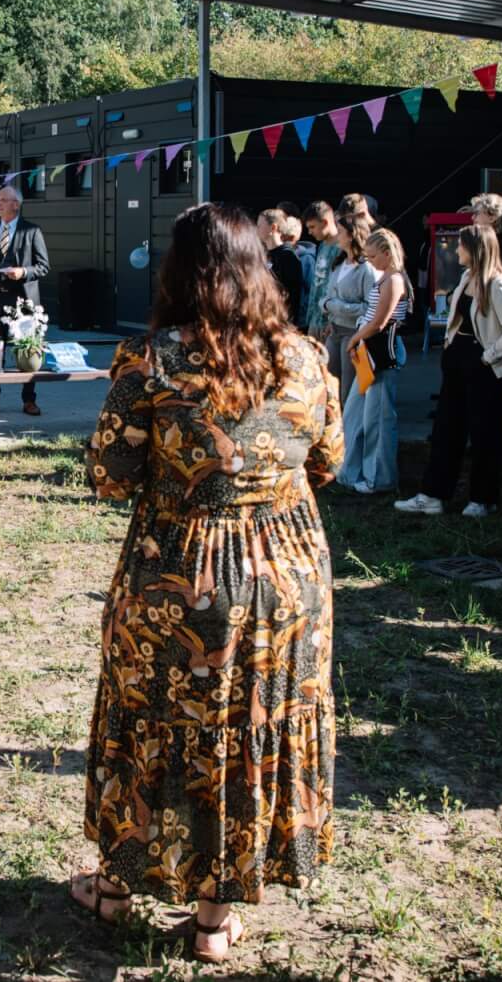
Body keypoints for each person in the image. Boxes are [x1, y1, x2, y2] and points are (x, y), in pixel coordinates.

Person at [76, 203, 342, 965]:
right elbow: (328, 461)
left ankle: (115, 887)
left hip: (180, 570)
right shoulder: (306, 357)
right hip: (287, 576)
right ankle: (214, 921)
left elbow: (109, 475)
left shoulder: (151, 360)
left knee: (153, 721)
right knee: (253, 732)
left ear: (179, 272)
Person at [395, 223, 502, 518]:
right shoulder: (467, 277)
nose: (456, 251)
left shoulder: (497, 284)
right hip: (457, 362)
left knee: (484, 433)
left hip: (483, 367)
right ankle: (433, 495)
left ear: (475, 249)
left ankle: (483, 498)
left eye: (461, 245)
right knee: (446, 430)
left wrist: (488, 356)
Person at [0, 184, 51, 417]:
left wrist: (23, 272)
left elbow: (43, 266)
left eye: (3, 200)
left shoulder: (32, 231)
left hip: (23, 302)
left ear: (15, 205)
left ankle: (29, 400)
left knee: (27, 353)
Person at [346, 228, 410, 495]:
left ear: (387, 253)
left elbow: (379, 323)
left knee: (378, 419)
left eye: (373, 256)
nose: (369, 261)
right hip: (368, 350)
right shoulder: (385, 277)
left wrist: (354, 339)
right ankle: (351, 471)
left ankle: (379, 478)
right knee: (355, 413)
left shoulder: (394, 280)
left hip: (381, 352)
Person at [321, 209, 377, 491]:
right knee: (329, 390)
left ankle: (347, 456)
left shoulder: (366, 269)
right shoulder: (338, 262)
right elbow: (327, 296)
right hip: (334, 330)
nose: (337, 236)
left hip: (354, 335)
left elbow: (369, 306)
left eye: (341, 232)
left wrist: (337, 307)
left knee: (347, 394)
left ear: (352, 235)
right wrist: (328, 309)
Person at [300, 201, 342, 343]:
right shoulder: (323, 244)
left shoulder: (341, 247)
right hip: (315, 319)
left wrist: (332, 319)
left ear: (325, 222)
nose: (309, 232)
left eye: (312, 227)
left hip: (331, 321)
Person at [258, 208, 307, 325]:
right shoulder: (264, 254)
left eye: (259, 225)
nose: (256, 229)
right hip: (263, 319)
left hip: (280, 322)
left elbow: (291, 295)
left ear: (273, 228)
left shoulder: (288, 256)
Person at [281, 213, 314, 313]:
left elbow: (310, 288)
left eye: (282, 237)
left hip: (300, 312)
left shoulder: (307, 259)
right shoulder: (278, 256)